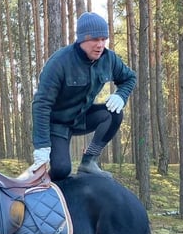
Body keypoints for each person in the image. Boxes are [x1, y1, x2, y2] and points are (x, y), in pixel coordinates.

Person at [31, 12, 137, 180]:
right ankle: (42, 187)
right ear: (81, 39)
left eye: (104, 39)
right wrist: (42, 146)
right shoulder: (59, 62)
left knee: (114, 113)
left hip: (82, 118)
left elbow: (130, 77)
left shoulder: (109, 59)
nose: (100, 45)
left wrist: (121, 95)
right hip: (58, 124)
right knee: (61, 170)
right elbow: (41, 104)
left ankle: (89, 162)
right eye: (95, 39)